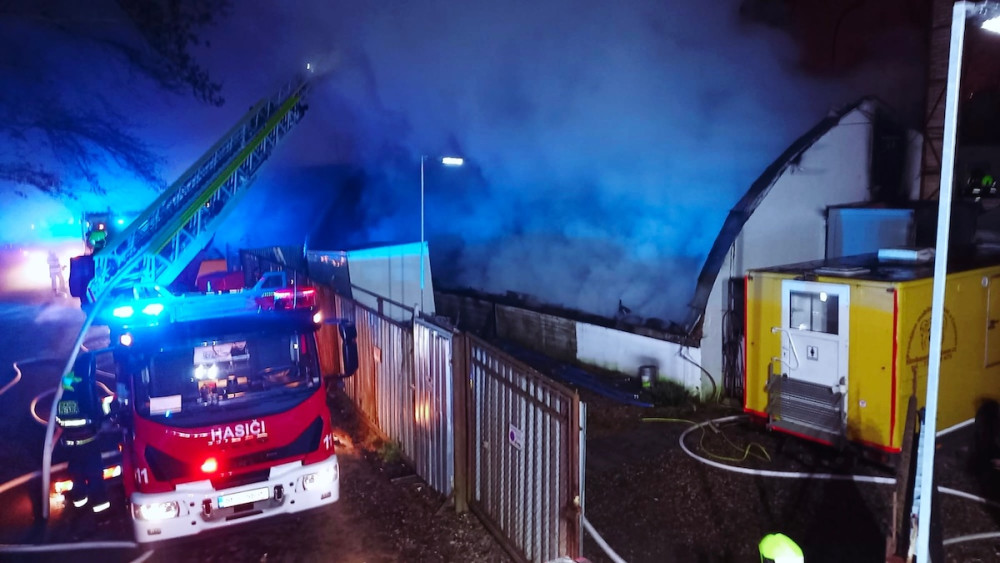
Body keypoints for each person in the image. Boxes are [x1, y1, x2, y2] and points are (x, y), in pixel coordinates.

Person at [55, 359, 112, 527]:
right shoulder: (86, 397)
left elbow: (59, 422)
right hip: (89, 446)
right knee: (95, 479)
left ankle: (79, 508)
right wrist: (106, 404)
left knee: (77, 477)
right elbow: (100, 417)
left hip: (71, 449)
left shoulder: (62, 400)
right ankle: (102, 515)